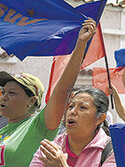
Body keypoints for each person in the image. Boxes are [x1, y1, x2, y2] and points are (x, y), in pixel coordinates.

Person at [0, 19, 96, 167]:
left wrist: (80, 45)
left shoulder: (39, 125)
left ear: (31, 100)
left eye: (11, 93)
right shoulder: (5, 129)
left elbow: (63, 90)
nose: (4, 97)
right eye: (3, 92)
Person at [29, 87, 116, 166]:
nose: (73, 111)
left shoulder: (112, 151)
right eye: (71, 106)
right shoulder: (49, 150)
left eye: (82, 107)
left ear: (100, 118)